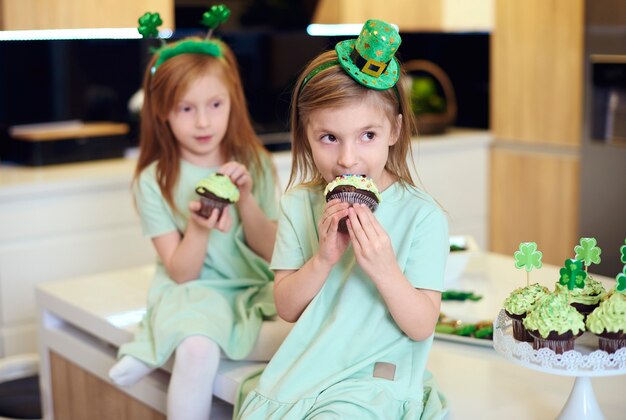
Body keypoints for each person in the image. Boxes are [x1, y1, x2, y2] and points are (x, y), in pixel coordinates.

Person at [237, 19, 449, 419]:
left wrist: (385, 269)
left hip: (377, 378)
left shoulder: (424, 217)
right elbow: (287, 307)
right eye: (329, 138)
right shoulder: (299, 205)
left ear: (394, 130)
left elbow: (421, 325)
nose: (348, 158)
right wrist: (323, 260)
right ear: (306, 135)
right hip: (309, 368)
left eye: (367, 135)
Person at [108, 8, 290, 420]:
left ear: (233, 102)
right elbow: (182, 273)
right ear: (162, 112)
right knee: (196, 347)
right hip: (193, 292)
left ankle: (151, 347)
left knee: (313, 334)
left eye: (214, 104)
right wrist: (198, 227)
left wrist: (245, 200)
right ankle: (159, 341)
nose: (204, 121)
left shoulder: (255, 163)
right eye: (186, 109)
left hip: (252, 289)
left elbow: (270, 250)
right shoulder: (155, 179)